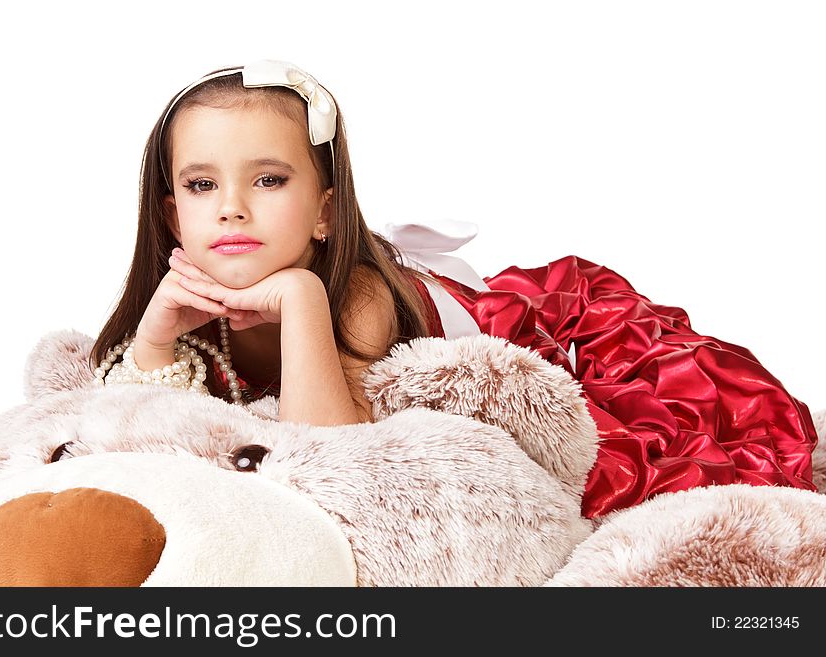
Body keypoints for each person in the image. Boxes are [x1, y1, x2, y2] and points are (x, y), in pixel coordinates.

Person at [92, 60, 817, 518]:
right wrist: (155, 335)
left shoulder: (355, 297)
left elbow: (328, 458)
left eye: (269, 179)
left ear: (324, 211)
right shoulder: (189, 300)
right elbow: (139, 422)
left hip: (536, 326)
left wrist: (303, 302)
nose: (231, 207)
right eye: (201, 184)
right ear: (171, 213)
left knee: (646, 458)